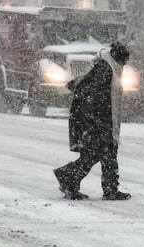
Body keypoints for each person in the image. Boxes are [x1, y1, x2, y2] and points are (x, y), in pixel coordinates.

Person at [53, 41, 133, 201]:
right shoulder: (105, 70)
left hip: (97, 120)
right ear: (118, 58)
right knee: (104, 154)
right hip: (97, 120)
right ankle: (105, 188)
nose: (124, 65)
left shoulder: (106, 67)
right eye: (124, 62)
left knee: (97, 155)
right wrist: (99, 123)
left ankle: (69, 178)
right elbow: (94, 98)